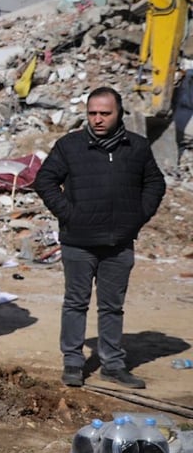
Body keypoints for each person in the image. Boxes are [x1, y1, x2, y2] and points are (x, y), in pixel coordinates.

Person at [35, 86, 166, 389]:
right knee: (75, 303)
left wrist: (137, 216)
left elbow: (155, 183)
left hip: (118, 245)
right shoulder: (70, 146)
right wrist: (69, 215)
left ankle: (112, 364)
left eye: (104, 113)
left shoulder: (138, 147)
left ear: (119, 113)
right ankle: (72, 362)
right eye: (92, 113)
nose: (97, 119)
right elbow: (45, 180)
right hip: (78, 243)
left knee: (111, 307)